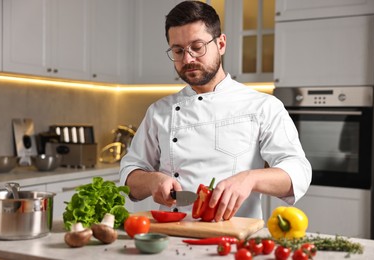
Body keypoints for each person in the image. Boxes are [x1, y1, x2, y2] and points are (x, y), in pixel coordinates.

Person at [120, 1, 311, 222]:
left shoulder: (262, 106)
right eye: (178, 50)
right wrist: (152, 180)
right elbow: (129, 173)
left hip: (232, 242)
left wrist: (250, 179)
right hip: (171, 236)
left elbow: (298, 172)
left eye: (197, 47)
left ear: (221, 44)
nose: (188, 59)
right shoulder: (159, 112)